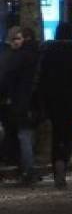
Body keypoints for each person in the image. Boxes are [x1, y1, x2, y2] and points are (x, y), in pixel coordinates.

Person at [39, 22, 72, 187]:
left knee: (57, 134)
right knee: (67, 134)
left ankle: (57, 164)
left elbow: (41, 78)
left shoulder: (48, 52)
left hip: (52, 100)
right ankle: (63, 164)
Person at [3, 27, 41, 185]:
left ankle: (28, 170)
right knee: (25, 136)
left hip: (19, 102)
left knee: (22, 136)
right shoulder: (35, 54)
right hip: (30, 101)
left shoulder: (17, 57)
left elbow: (7, 79)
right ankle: (28, 169)